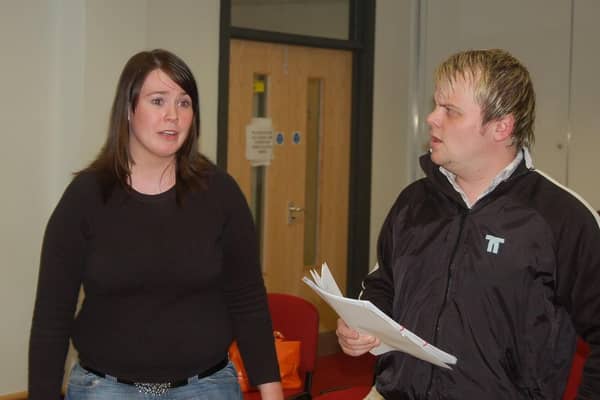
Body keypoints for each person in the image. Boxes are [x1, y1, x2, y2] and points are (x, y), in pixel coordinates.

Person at [337, 49, 600, 399]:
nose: (431, 118)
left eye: (450, 111)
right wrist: (362, 325)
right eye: (435, 106)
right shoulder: (414, 202)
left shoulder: (562, 218)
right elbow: (383, 284)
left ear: (501, 126)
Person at [29, 49, 283, 400]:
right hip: (104, 389)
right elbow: (51, 318)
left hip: (206, 388)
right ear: (129, 111)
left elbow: (248, 301)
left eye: (184, 103)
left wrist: (272, 392)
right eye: (158, 100)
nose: (173, 116)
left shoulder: (221, 193)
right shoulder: (85, 198)